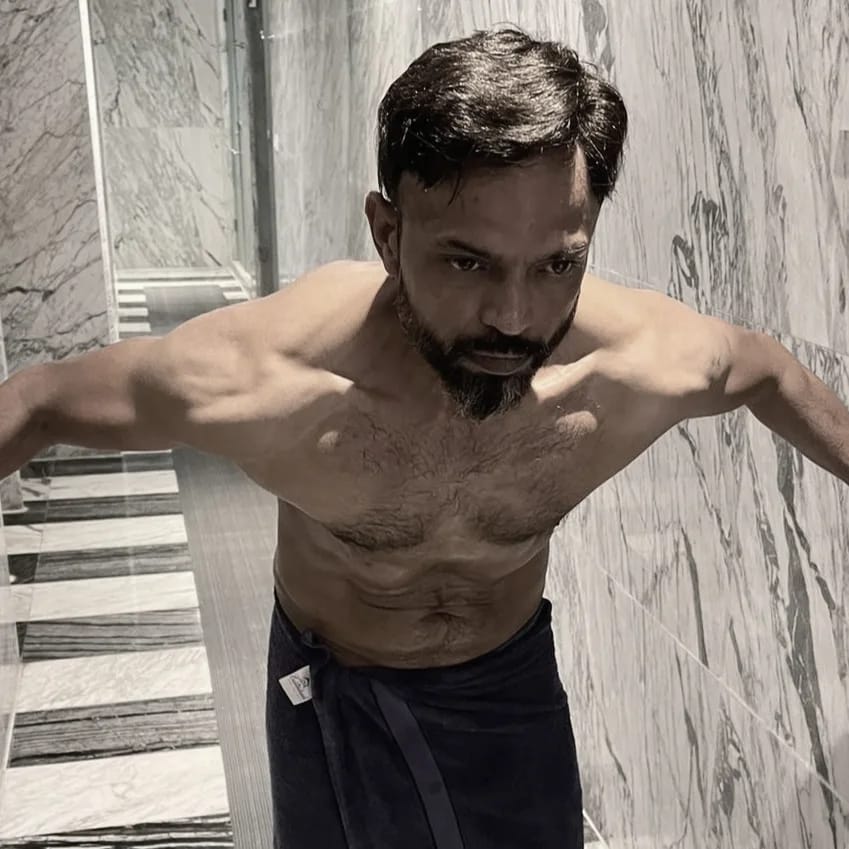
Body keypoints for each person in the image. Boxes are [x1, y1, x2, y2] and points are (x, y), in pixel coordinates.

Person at [1, 25, 847, 849]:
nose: (513, 316)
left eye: (557, 264)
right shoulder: (273, 378)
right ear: (387, 233)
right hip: (336, 694)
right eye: (467, 261)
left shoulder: (630, 365)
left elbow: (767, 372)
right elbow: (39, 402)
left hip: (508, 688)